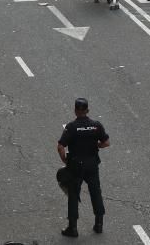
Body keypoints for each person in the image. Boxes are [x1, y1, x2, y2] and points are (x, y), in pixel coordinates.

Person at [57, 98, 109, 237]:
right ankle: (99, 224)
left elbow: (61, 146)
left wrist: (65, 160)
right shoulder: (96, 125)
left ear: (75, 111)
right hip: (92, 164)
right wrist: (96, 145)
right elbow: (106, 143)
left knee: (73, 194)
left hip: (75, 165)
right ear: (87, 110)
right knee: (95, 192)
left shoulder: (71, 127)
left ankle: (72, 228)